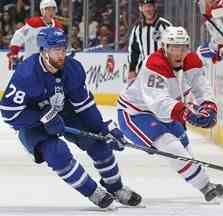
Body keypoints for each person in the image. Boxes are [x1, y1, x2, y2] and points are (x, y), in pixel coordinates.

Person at [0, 27, 142, 209]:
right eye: (55, 50)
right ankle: (93, 191)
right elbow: (8, 112)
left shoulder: (73, 68)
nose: (61, 55)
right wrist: (42, 118)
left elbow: (84, 105)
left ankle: (115, 187)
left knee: (99, 143)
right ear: (43, 51)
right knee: (57, 153)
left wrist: (103, 128)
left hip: (64, 112)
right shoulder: (27, 74)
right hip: (32, 121)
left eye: (62, 49)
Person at [117, 26, 223, 202]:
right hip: (135, 113)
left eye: (183, 47)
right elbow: (159, 103)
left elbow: (202, 88)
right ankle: (205, 185)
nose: (179, 52)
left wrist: (209, 106)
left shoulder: (192, 60)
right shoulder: (155, 64)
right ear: (164, 47)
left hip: (165, 112)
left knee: (183, 143)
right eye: (174, 47)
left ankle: (204, 181)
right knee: (171, 145)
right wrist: (187, 113)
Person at [7, 0, 63, 70]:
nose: (51, 12)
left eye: (53, 9)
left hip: (48, 66)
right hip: (31, 64)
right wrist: (14, 54)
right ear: (42, 11)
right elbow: (18, 36)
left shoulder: (58, 27)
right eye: (47, 9)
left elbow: (59, 46)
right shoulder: (34, 24)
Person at [128, 0, 172, 80]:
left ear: (155, 7)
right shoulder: (137, 27)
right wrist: (132, 69)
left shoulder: (165, 26)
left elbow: (173, 48)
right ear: (140, 8)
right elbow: (134, 50)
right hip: (144, 70)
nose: (148, 9)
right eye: (145, 6)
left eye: (150, 6)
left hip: (162, 70)